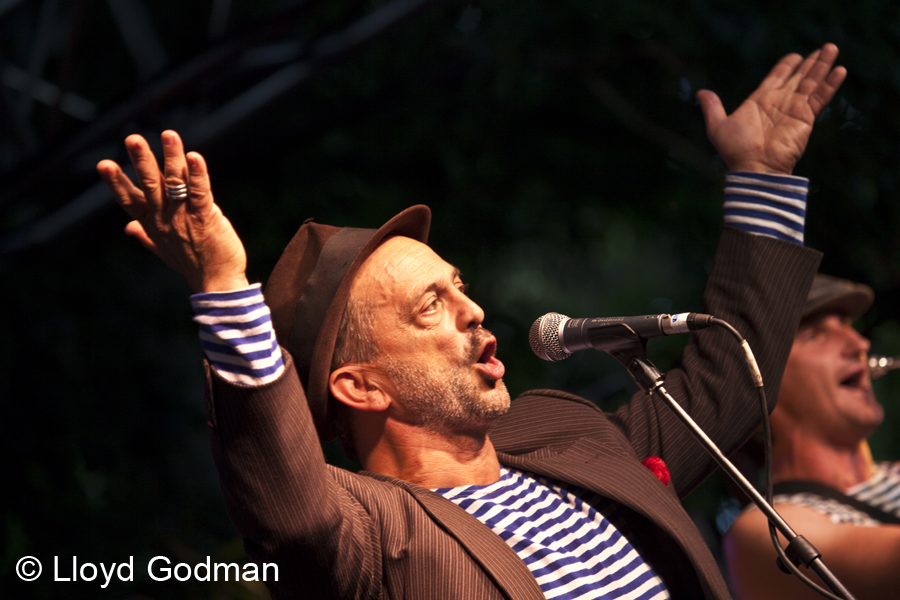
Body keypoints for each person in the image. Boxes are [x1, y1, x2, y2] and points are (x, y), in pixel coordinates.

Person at [97, 44, 844, 600]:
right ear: (360, 386)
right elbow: (285, 498)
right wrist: (224, 286)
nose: (474, 310)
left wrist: (762, 180)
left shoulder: (565, 437)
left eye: (460, 287)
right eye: (431, 305)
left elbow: (725, 386)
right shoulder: (368, 530)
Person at [723, 274, 900, 600]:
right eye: (815, 335)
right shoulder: (766, 532)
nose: (860, 345)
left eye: (847, 324)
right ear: (762, 387)